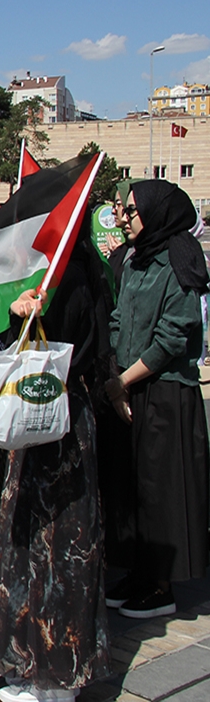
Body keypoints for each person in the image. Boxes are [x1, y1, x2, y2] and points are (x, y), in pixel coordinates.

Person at [0, 236, 112, 702]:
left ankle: (56, 677)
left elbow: (67, 343)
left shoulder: (69, 273)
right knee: (29, 548)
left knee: (58, 552)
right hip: (47, 422)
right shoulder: (68, 267)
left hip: (59, 425)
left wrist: (28, 315)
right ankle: (29, 664)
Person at [105, 179, 208, 619]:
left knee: (161, 489)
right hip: (130, 388)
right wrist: (117, 378)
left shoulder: (179, 259)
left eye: (132, 210)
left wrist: (123, 381)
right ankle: (139, 571)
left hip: (164, 392)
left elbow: (173, 335)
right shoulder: (136, 258)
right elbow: (117, 319)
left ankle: (161, 585)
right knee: (132, 487)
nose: (124, 218)